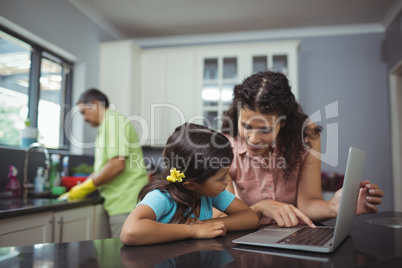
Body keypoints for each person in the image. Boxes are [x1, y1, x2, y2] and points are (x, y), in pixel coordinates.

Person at [220, 70, 384, 227]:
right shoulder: (226, 145)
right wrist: (260, 208)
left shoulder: (307, 136)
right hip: (247, 235)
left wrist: (334, 207)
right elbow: (222, 217)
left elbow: (308, 203)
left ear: (282, 123)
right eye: (246, 126)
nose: (253, 139)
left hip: (294, 233)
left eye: (265, 129)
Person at [120, 123, 260, 246]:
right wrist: (193, 230)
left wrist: (206, 224)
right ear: (191, 185)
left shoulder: (209, 194)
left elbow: (250, 217)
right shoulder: (162, 197)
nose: (227, 182)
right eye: (221, 178)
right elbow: (130, 232)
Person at [59, 88, 149, 238]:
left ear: (95, 104)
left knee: (123, 258)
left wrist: (88, 186)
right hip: (120, 202)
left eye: (83, 112)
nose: (84, 118)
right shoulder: (107, 126)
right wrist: (82, 186)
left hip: (126, 202)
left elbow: (116, 165)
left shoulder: (113, 121)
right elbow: (102, 168)